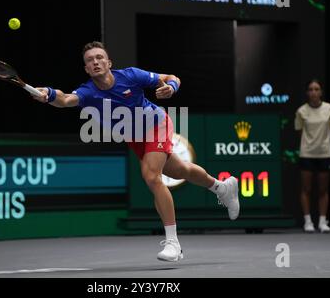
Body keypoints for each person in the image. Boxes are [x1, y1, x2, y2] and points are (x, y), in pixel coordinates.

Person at [32, 41, 239, 261]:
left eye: (99, 57)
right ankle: (222, 188)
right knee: (180, 170)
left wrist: (171, 88)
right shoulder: (88, 92)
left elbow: (172, 78)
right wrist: (50, 94)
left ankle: (173, 243)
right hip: (135, 138)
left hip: (157, 124)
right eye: (90, 60)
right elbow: (65, 99)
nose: (95, 62)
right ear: (86, 69)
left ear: (109, 62)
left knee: (151, 177)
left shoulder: (131, 76)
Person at [295, 79, 330, 233]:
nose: (314, 92)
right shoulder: (301, 111)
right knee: (306, 188)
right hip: (307, 154)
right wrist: (311, 144)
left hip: (324, 153)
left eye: (317, 89)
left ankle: (322, 221)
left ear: (321, 92)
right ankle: (308, 222)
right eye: (311, 89)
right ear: (307, 93)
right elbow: (300, 132)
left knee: (323, 189)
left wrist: (321, 143)